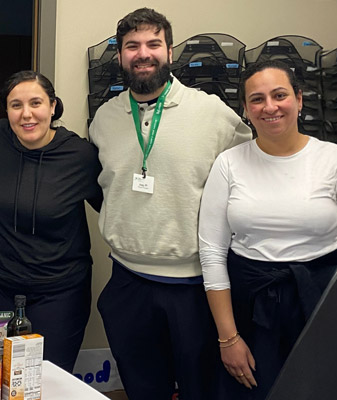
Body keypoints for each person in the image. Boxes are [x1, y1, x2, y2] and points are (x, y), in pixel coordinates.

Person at [198, 59, 337, 399]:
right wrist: (228, 338)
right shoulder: (228, 164)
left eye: (279, 95)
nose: (269, 107)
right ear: (245, 109)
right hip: (250, 308)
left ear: (299, 100)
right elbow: (212, 252)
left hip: (325, 303)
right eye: (257, 99)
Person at [88, 8, 253, 400]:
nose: (143, 53)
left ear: (170, 51)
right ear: (120, 55)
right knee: (144, 390)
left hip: (194, 287)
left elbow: (250, 174)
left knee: (202, 391)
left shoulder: (211, 113)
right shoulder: (105, 118)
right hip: (127, 280)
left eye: (153, 44)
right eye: (132, 46)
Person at [0, 71, 102, 372]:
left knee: (47, 378)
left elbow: (114, 209)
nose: (26, 114)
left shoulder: (80, 155)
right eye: (15, 105)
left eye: (36, 103)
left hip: (58, 291)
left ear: (53, 106)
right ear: (6, 111)